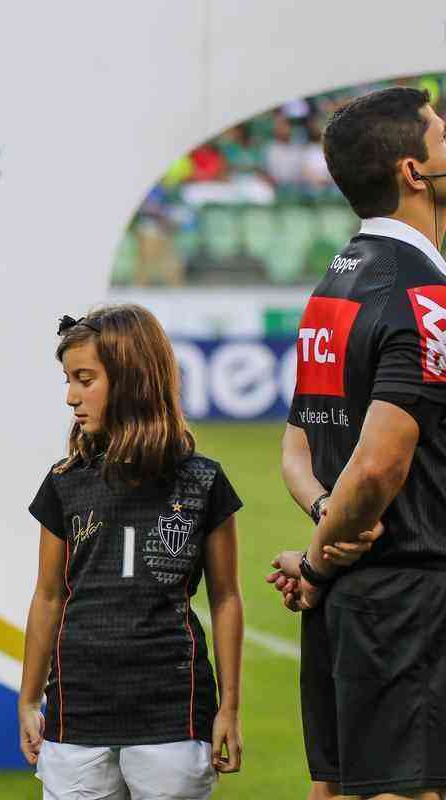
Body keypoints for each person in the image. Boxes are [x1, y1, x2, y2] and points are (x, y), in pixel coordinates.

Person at [268, 86, 446, 800]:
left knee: (340, 788)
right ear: (413, 171)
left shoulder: (333, 286)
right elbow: (377, 466)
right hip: (410, 600)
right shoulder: (422, 294)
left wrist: (322, 532)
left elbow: (296, 449)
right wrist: (316, 561)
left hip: (352, 602)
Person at [18, 305, 244, 800]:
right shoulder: (63, 483)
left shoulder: (202, 480)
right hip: (76, 712)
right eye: (67, 380)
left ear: (132, 379)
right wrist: (29, 698)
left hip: (173, 714)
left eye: (85, 379)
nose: (71, 396)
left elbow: (226, 599)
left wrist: (229, 708)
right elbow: (48, 596)